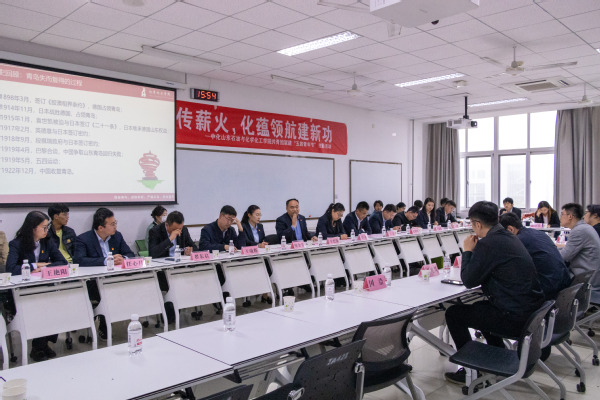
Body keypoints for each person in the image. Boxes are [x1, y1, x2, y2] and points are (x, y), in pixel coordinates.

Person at [444, 201, 544, 385]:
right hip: (530, 312)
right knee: (481, 307)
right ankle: (495, 354)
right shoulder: (509, 236)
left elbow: (469, 280)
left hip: (514, 318)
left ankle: (470, 370)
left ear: (477, 224)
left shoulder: (488, 244)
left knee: (453, 313)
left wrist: (467, 251)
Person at [6, 211, 67, 362]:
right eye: (44, 227)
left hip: (44, 288)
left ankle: (42, 344)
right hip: (23, 292)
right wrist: (34, 265)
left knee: (55, 304)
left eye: (47, 227)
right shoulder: (17, 244)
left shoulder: (47, 241)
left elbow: (62, 262)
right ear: (33, 228)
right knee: (40, 306)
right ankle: (39, 346)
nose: (47, 230)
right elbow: (11, 269)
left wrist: (44, 267)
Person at [499, 213, 571, 300]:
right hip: (564, 281)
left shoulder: (518, 241)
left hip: (549, 287)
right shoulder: (537, 233)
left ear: (510, 229)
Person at [558, 203, 600, 299]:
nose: (560, 217)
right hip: (591, 273)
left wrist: (551, 252)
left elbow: (564, 256)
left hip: (587, 278)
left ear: (570, 216)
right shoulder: (584, 228)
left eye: (562, 214)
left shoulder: (579, 230)